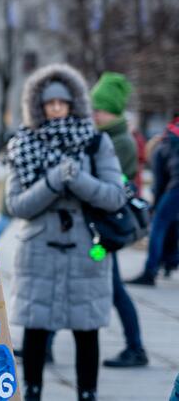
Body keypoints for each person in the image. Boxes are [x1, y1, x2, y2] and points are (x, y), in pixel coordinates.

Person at [6, 63, 126, 401]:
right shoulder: (23, 143)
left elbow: (114, 196)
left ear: (74, 104)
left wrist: (78, 179)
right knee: (36, 327)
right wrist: (53, 181)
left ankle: (88, 393)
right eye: (49, 104)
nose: (56, 109)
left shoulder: (95, 142)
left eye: (62, 103)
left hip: (86, 249)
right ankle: (31, 391)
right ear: (38, 107)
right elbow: (16, 204)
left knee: (86, 328)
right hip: (38, 249)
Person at [86, 72, 149, 368]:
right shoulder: (108, 137)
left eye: (98, 109)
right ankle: (44, 343)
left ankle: (136, 348)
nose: (94, 113)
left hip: (105, 230)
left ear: (111, 110)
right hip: (99, 226)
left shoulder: (120, 141)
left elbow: (114, 184)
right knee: (80, 281)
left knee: (112, 286)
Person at [128, 114, 179, 286]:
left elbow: (160, 185)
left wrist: (155, 208)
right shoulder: (172, 137)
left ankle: (150, 271)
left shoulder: (162, 146)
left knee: (158, 224)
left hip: (177, 187)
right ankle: (171, 261)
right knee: (171, 222)